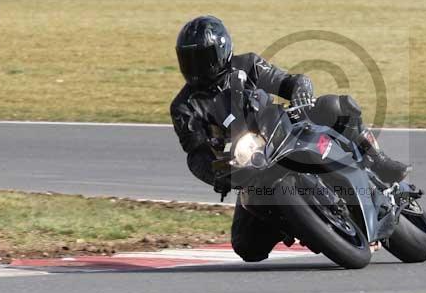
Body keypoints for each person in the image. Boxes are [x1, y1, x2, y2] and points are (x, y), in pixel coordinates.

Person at [170, 15, 410, 261]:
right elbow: (195, 154)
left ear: (222, 51)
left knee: (334, 106)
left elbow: (288, 81)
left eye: (202, 58)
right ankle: (297, 223)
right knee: (247, 247)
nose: (196, 66)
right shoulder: (183, 107)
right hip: (249, 167)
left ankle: (378, 160)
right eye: (188, 59)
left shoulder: (247, 65)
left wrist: (301, 91)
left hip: (284, 130)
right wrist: (216, 176)